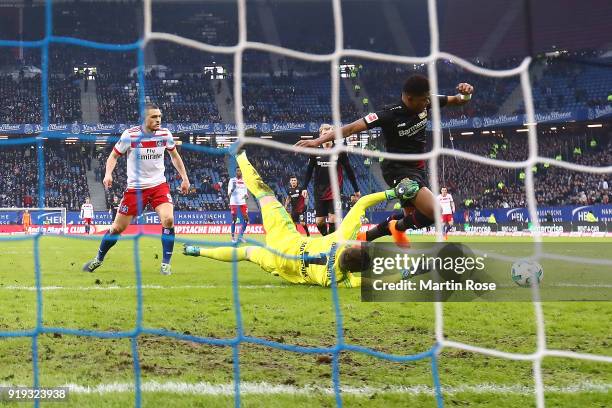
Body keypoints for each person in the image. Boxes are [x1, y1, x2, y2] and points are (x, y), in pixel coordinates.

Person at [183, 152, 413, 287]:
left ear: (352, 245)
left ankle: (241, 156)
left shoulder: (341, 238)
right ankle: (197, 250)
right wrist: (402, 275)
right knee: (246, 253)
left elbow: (362, 203)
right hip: (278, 261)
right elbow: (374, 283)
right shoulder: (334, 279)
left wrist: (394, 193)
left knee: (264, 194)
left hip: (285, 236)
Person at [296, 74, 474, 244]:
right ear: (410, 99)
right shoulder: (388, 114)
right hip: (397, 170)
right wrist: (317, 141)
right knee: (435, 211)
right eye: (424, 100)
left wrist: (466, 94)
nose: (428, 102)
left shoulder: (426, 100)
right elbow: (350, 128)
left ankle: (367, 236)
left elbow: (458, 100)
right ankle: (394, 227)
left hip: (418, 168)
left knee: (411, 217)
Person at [82, 103, 190, 275]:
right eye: (154, 117)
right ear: (144, 119)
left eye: (159, 116)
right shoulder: (130, 135)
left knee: (168, 219)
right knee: (117, 229)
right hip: (135, 189)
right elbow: (114, 155)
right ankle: (98, 259)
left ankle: (165, 264)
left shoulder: (165, 134)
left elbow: (174, 156)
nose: (158, 120)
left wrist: (184, 178)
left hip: (158, 186)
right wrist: (108, 174)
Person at [302, 124, 360, 236]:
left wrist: (356, 189)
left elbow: (349, 170)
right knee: (319, 222)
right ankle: (327, 238)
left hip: (336, 191)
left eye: (329, 134)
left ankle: (331, 245)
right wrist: (304, 187)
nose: (327, 136)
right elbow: (309, 170)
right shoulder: (315, 151)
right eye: (324, 134)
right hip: (319, 192)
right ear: (320, 136)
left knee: (334, 219)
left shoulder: (339, 150)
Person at [228, 167, 249, 243]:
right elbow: (229, 194)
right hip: (234, 202)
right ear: (235, 172)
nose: (239, 172)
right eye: (237, 171)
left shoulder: (244, 181)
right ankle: (233, 237)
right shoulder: (232, 180)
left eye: (240, 171)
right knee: (234, 220)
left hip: (242, 202)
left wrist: (246, 196)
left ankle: (240, 236)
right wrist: (233, 188)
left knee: (246, 219)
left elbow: (246, 193)